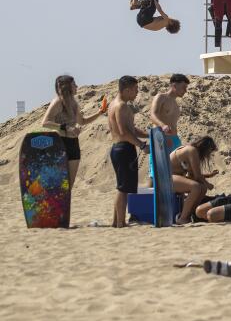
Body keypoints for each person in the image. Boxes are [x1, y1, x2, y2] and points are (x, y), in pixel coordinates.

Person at [41, 75, 107, 192]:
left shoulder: (73, 103)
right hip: (60, 144)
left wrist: (99, 112)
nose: (77, 86)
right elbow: (45, 122)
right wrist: (65, 128)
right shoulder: (58, 102)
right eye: (74, 84)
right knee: (59, 184)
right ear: (67, 87)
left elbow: (82, 121)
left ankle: (64, 210)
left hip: (73, 144)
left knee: (69, 187)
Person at [106, 76, 149, 228]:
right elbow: (124, 133)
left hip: (120, 148)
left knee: (122, 186)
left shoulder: (114, 104)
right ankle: (120, 222)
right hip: (123, 148)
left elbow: (130, 129)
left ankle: (116, 221)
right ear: (126, 90)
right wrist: (142, 146)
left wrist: (148, 134)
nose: (137, 93)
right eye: (135, 90)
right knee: (123, 188)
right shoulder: (121, 106)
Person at [170, 136, 218, 224]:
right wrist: (208, 184)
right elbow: (197, 176)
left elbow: (193, 175)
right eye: (209, 152)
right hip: (168, 178)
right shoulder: (192, 150)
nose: (208, 155)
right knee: (196, 187)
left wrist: (209, 176)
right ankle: (182, 218)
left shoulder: (192, 151)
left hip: (175, 177)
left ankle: (189, 214)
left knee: (202, 188)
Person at [150, 74, 189, 155]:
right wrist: (163, 125)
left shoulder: (176, 106)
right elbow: (153, 115)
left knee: (176, 167)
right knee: (160, 167)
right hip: (161, 138)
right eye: (183, 87)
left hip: (175, 140)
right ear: (174, 85)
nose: (185, 91)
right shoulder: (161, 97)